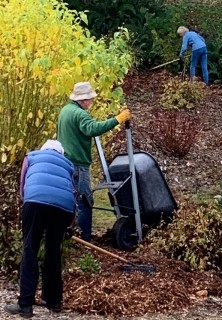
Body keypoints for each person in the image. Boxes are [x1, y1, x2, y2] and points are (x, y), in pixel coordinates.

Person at [4, 140, 75, 318]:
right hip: (63, 207)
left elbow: (22, 186)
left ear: (43, 149)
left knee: (30, 249)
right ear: (60, 153)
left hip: (35, 200)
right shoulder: (68, 164)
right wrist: (70, 224)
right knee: (53, 250)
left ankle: (25, 305)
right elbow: (73, 192)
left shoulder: (32, 156)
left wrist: (27, 203)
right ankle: (53, 300)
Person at [57, 82, 131, 241]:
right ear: (83, 99)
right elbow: (93, 129)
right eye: (90, 99)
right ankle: (84, 237)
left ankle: (70, 233)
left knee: (70, 200)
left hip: (65, 162)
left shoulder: (65, 111)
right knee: (85, 201)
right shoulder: (80, 114)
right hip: (78, 164)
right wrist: (117, 119)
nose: (91, 102)